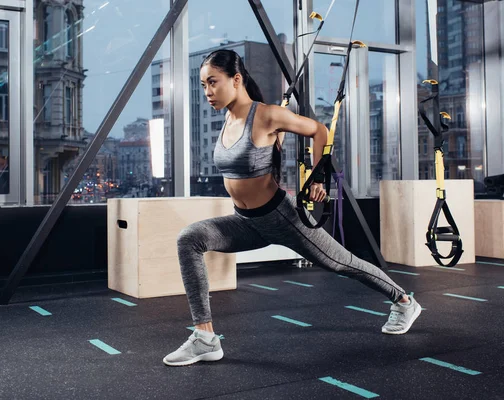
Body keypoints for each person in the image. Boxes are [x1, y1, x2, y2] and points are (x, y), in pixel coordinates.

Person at [162, 50, 421, 367]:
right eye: (203, 85)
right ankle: (205, 339)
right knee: (190, 239)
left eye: (213, 83)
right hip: (246, 221)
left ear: (236, 79)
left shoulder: (267, 115)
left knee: (343, 263)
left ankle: (404, 301)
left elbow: (319, 130)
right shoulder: (228, 119)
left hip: (282, 218)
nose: (208, 92)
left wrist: (318, 177)